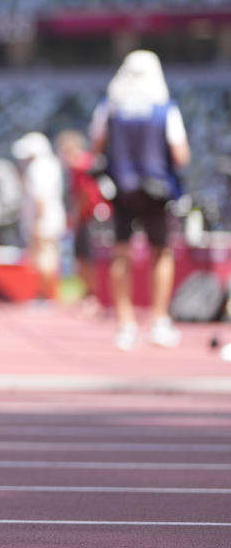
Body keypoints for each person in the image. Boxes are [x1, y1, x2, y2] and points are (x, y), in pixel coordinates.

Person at [89, 50, 190, 350]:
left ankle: (125, 323)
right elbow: (180, 155)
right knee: (161, 253)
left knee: (121, 254)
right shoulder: (164, 109)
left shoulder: (110, 108)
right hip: (157, 190)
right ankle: (159, 320)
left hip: (120, 189)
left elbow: (97, 144)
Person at [55, 129, 112, 307]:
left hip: (90, 216)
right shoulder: (88, 162)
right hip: (95, 215)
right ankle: (90, 292)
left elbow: (83, 194)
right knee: (85, 256)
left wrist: (76, 217)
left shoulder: (81, 165)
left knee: (88, 257)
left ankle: (93, 294)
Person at [11, 131, 66, 300]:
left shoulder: (37, 168)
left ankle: (45, 294)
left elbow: (41, 197)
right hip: (52, 218)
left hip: (43, 220)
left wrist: (37, 221)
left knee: (44, 257)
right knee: (50, 255)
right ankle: (48, 293)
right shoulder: (52, 164)